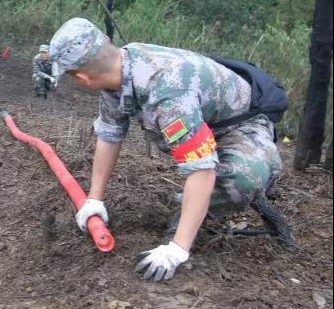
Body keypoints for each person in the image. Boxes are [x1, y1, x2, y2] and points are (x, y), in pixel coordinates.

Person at [50, 18, 289, 282]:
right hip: (203, 121)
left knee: (240, 181)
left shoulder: (167, 93)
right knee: (198, 161)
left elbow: (201, 168)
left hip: (240, 127)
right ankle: (194, 203)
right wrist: (94, 200)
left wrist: (177, 248)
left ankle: (191, 219)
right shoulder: (116, 73)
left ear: (83, 79)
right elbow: (109, 135)